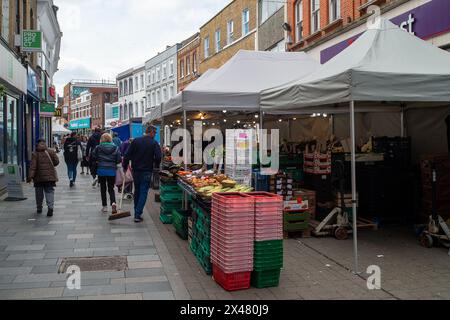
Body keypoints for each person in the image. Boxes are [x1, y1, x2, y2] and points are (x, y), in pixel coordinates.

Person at [123, 125, 161, 223]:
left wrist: (125, 166)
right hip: (147, 171)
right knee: (143, 192)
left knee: (137, 191)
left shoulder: (136, 141)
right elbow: (158, 157)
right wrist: (155, 164)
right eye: (155, 133)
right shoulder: (154, 143)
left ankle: (137, 210)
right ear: (151, 132)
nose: (155, 135)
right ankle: (137, 214)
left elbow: (127, 155)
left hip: (136, 170)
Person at [27, 139, 59, 217]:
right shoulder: (51, 151)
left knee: (39, 193)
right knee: (49, 192)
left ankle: (39, 208)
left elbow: (33, 167)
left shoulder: (35, 154)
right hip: (50, 177)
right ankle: (50, 208)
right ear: (45, 144)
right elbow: (57, 162)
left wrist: (30, 177)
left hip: (38, 178)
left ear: (37, 144)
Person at [91, 133, 121, 214]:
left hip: (101, 170)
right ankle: (113, 203)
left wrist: (98, 160)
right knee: (111, 188)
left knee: (103, 188)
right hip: (111, 170)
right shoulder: (116, 148)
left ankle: (104, 206)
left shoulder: (98, 147)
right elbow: (118, 160)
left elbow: (93, 156)